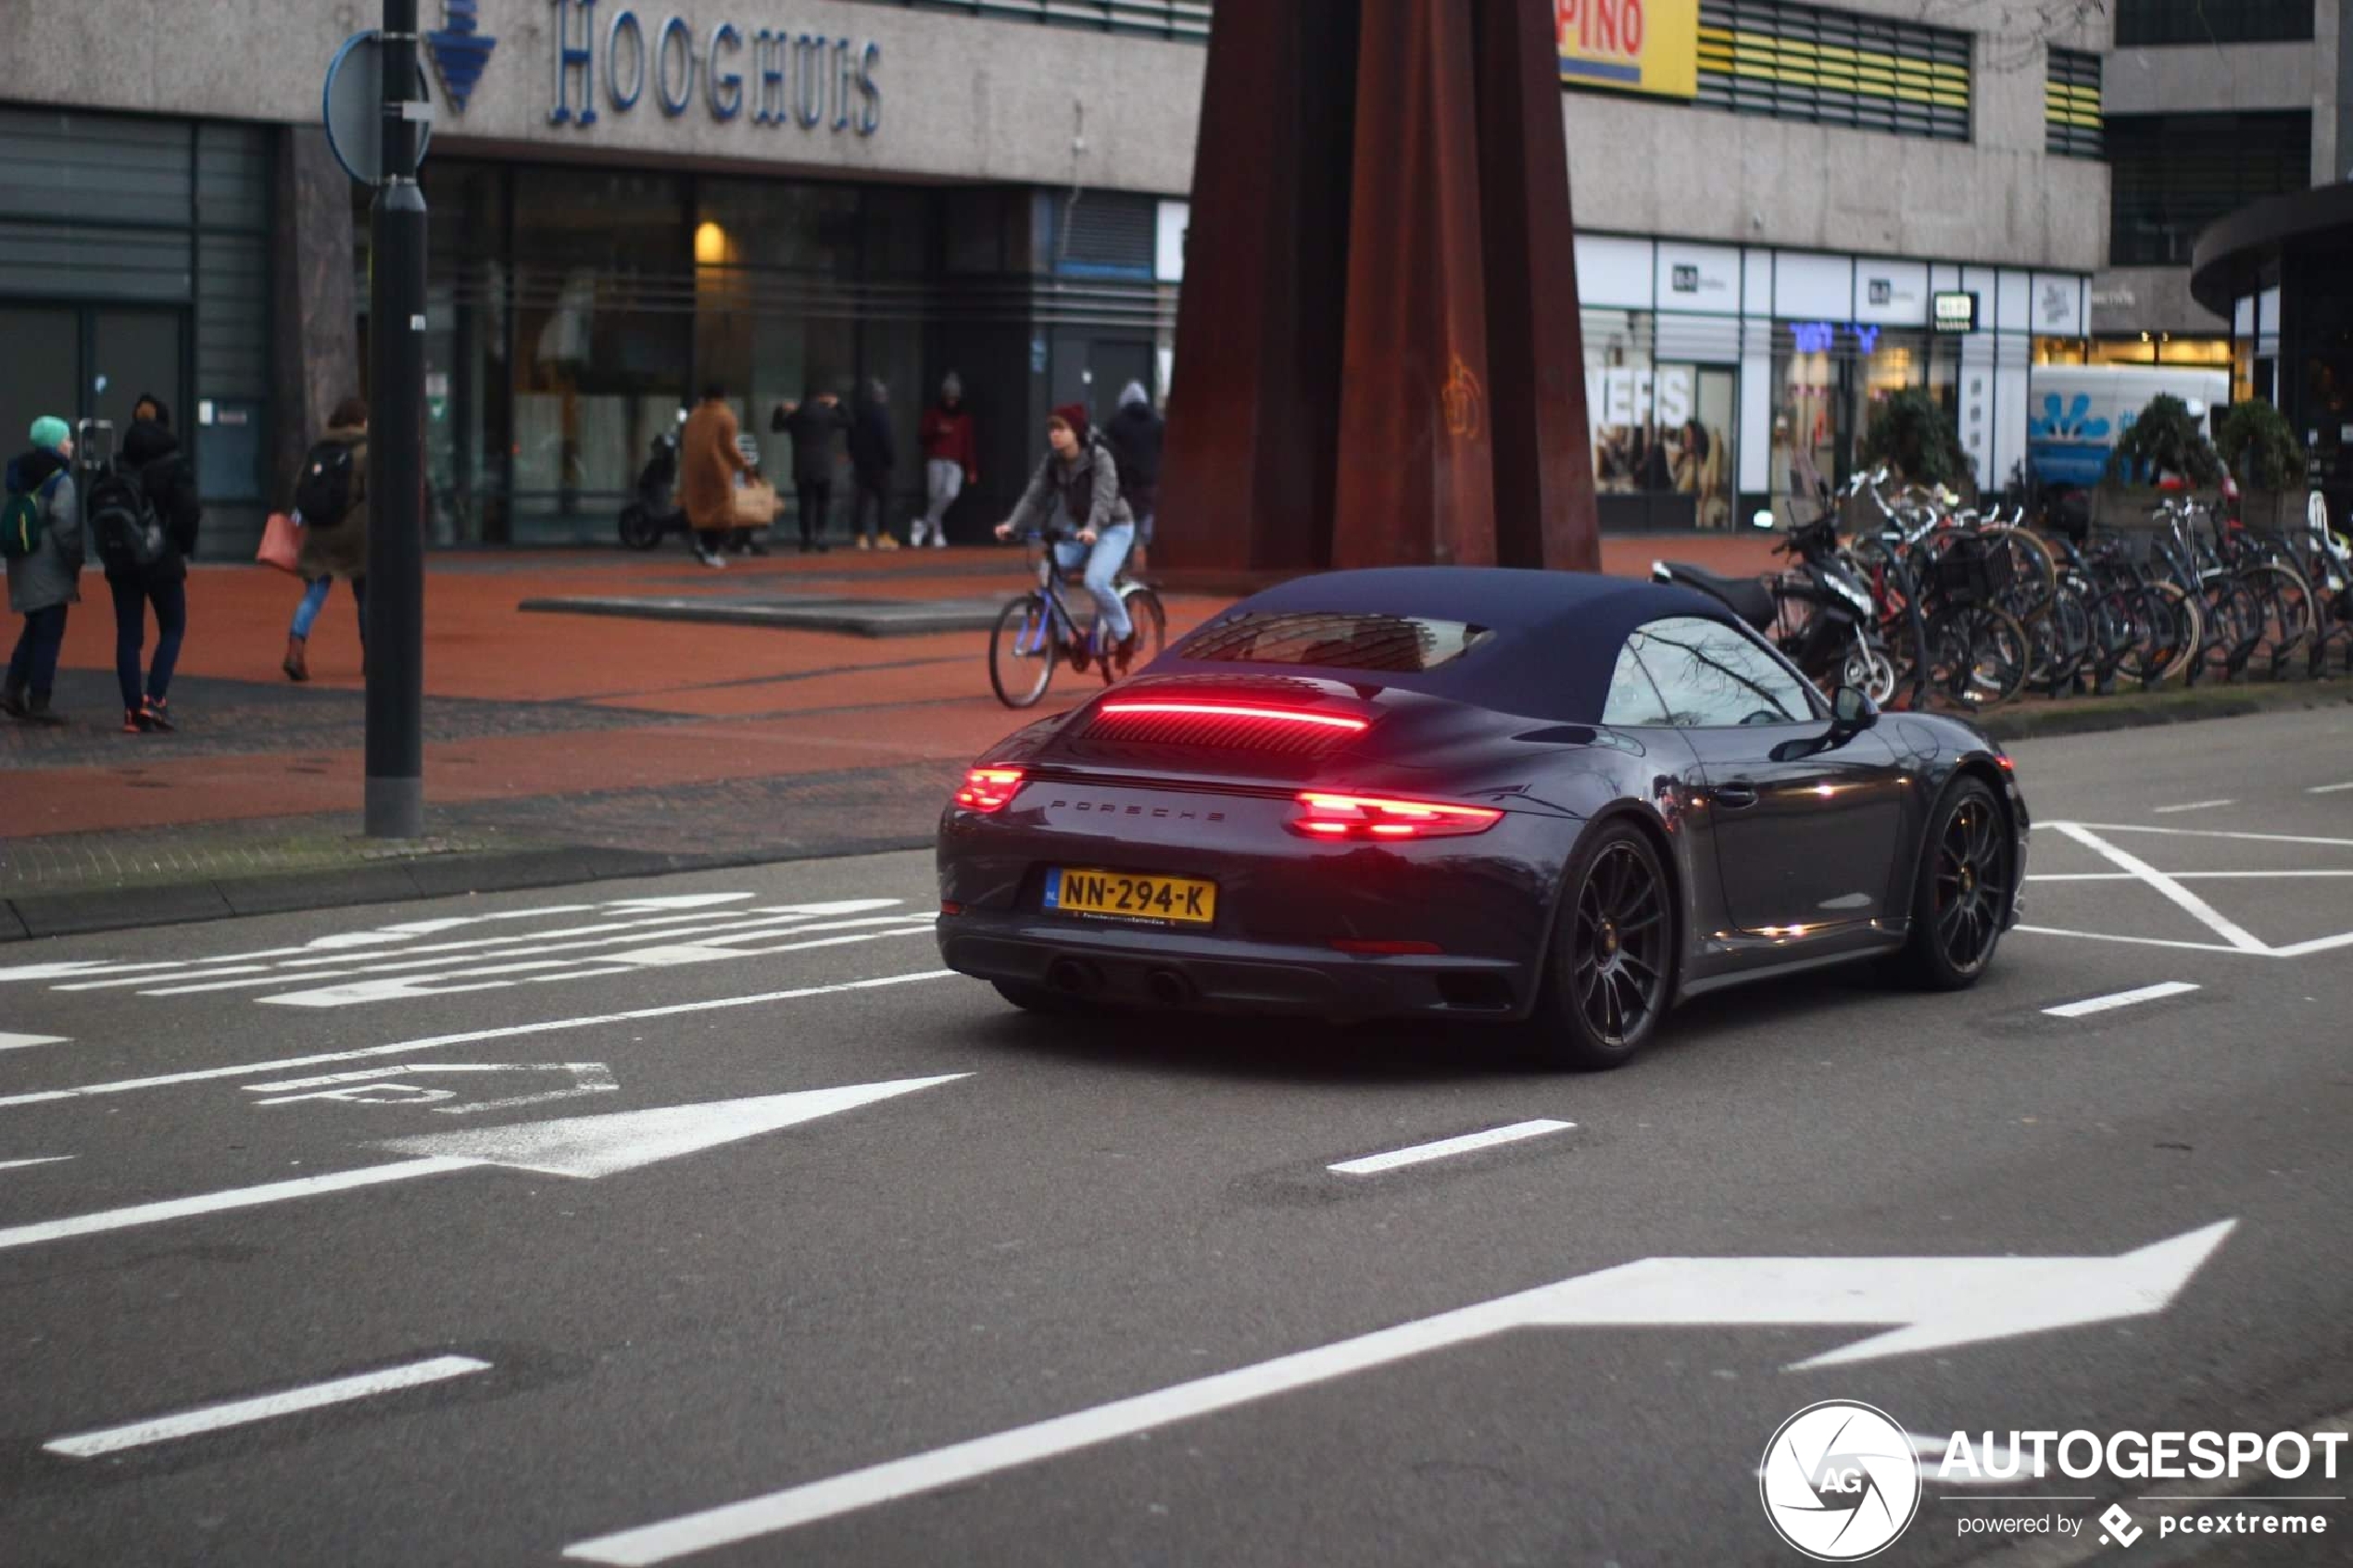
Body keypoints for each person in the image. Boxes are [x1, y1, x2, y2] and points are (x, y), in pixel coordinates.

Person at [994, 404, 1136, 669]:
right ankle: (1060, 640)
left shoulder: (1099, 457)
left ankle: (1126, 634)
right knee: (1049, 571)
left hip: (1114, 526)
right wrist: (1012, 524)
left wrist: (1093, 527)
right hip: (1081, 528)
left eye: (1061, 428)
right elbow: (1034, 497)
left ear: (1076, 431)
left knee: (1095, 581)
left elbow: (1103, 499)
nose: (1054, 434)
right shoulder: (1053, 461)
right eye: (1051, 429)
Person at [110, 395, 199, 733]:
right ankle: (155, 699)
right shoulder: (175, 463)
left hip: (123, 560)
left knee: (128, 636)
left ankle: (132, 710)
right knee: (173, 627)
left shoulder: (117, 462)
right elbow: (189, 511)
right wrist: (182, 546)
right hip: (163, 558)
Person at [283, 397, 371, 681]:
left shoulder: (319, 449)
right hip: (357, 536)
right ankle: (372, 656)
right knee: (366, 596)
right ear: (362, 421)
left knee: (314, 594)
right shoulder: (366, 450)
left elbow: (300, 488)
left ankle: (295, 647)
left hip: (319, 533)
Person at [3, 416, 82, 726]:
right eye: (66, 439)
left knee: (33, 628)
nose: (71, 444)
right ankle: (39, 700)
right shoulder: (60, 479)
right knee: (48, 634)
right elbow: (64, 524)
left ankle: (11, 689)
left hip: (24, 562)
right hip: (49, 566)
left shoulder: (21, 473)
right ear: (54, 443)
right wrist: (75, 559)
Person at [678, 384, 749, 571]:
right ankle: (711, 550)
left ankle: (704, 545)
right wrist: (745, 465)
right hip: (717, 469)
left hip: (694, 469)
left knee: (700, 510)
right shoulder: (725, 416)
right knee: (722, 512)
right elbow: (729, 447)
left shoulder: (694, 416)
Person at [774, 385, 850, 554]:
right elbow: (849, 421)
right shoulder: (827, 415)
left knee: (805, 503)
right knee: (823, 502)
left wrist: (780, 409)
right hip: (823, 465)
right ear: (821, 398)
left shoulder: (796, 416)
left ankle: (806, 538)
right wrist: (838, 404)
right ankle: (820, 535)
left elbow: (776, 427)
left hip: (802, 465)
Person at [1101, 381, 1164, 571]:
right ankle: (1155, 566)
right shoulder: (1157, 423)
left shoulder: (1115, 423)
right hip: (1150, 481)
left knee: (1124, 524)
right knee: (1149, 523)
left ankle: (1123, 565)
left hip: (1124, 482)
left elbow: (1106, 450)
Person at [912, 373, 977, 548]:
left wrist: (971, 468)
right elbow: (922, 436)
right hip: (936, 460)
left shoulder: (964, 419)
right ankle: (937, 534)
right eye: (948, 397)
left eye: (954, 398)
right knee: (935, 497)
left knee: (951, 493)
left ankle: (923, 525)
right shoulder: (933, 415)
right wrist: (937, 431)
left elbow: (968, 444)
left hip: (955, 462)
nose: (951, 401)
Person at [847, 378, 897, 551]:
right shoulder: (881, 414)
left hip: (861, 463)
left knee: (862, 500)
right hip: (880, 464)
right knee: (885, 499)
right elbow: (886, 439)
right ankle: (883, 535)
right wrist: (891, 459)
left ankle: (860, 536)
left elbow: (850, 438)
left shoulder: (858, 414)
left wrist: (854, 455)